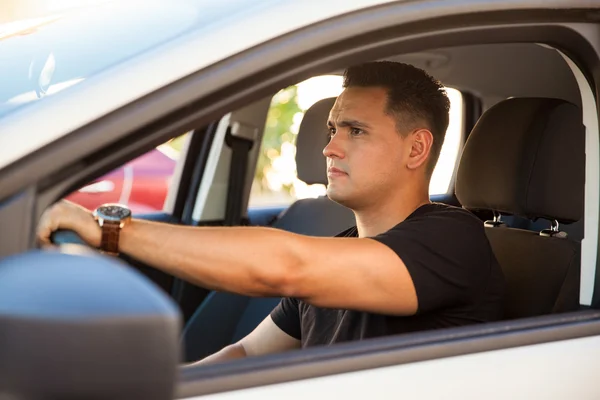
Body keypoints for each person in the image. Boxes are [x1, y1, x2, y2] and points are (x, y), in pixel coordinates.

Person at [37, 61, 505, 365]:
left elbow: (287, 266)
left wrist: (112, 230)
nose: (330, 146)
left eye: (356, 131)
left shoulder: (454, 240)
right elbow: (244, 353)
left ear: (416, 148)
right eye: (332, 128)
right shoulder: (340, 253)